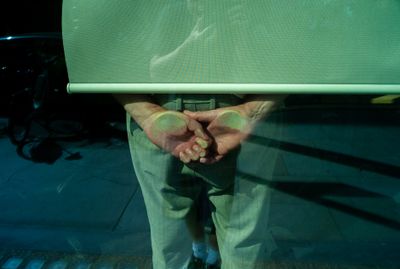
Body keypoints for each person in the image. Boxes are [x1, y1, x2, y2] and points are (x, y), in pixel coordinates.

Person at [114, 2, 286, 268]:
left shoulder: (162, 14)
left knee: (173, 240)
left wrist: (144, 112)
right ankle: (206, 249)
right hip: (174, 113)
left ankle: (204, 249)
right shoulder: (164, 16)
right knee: (238, 240)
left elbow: (288, 59)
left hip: (170, 111)